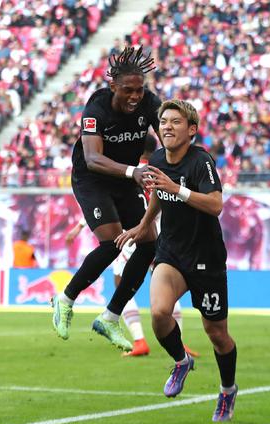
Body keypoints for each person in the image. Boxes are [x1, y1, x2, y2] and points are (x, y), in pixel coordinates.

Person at [116, 100, 237, 421]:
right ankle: (182, 361)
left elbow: (215, 205)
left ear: (191, 130)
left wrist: (176, 188)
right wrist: (143, 225)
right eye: (164, 121)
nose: (167, 126)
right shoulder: (157, 159)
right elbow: (158, 194)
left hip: (206, 258)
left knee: (217, 334)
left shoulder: (201, 162)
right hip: (170, 252)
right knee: (159, 313)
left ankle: (227, 390)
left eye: (176, 121)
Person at [51, 46, 160, 353]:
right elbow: (93, 158)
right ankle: (65, 299)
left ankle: (110, 317)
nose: (135, 97)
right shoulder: (96, 108)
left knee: (149, 243)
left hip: (125, 179)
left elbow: (167, 136)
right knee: (112, 243)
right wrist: (134, 171)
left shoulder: (150, 103)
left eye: (139, 90)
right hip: (93, 179)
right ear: (113, 86)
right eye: (128, 90)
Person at [65, 137, 200, 358]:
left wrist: (79, 226)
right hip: (161, 235)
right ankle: (179, 341)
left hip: (133, 234)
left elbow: (108, 203)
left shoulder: (127, 171)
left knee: (121, 284)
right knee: (167, 287)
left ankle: (139, 340)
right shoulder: (159, 170)